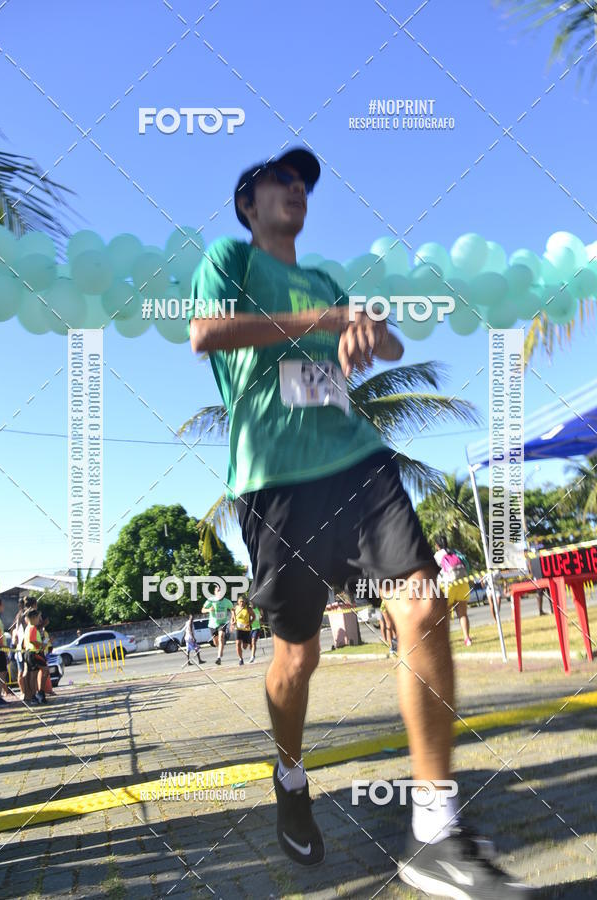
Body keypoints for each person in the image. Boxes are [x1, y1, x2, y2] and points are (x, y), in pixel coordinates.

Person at [188, 147, 531, 895]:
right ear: (248, 203)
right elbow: (206, 335)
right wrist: (325, 318)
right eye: (281, 179)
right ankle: (289, 772)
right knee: (298, 661)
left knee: (423, 601)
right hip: (275, 483)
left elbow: (391, 345)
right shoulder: (228, 259)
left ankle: (435, 832)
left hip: (355, 461)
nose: (296, 189)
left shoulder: (324, 279)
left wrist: (368, 324)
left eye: (304, 182)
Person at [434, 537, 472, 647]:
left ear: (437, 546)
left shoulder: (437, 556)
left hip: (447, 586)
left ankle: (446, 642)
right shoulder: (455, 552)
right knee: (463, 614)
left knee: (445, 616)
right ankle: (467, 639)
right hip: (462, 584)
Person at [23, 609, 49, 705]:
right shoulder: (32, 628)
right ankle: (36, 694)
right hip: (34, 653)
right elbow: (32, 640)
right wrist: (42, 644)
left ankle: (34, 695)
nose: (40, 620)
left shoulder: (29, 627)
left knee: (34, 675)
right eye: (38, 618)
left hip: (31, 653)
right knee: (43, 671)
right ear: (33, 618)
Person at [202, 587, 233, 665]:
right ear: (215, 592)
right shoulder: (211, 600)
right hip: (212, 625)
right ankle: (220, 649)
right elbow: (202, 610)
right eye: (217, 591)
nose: (219, 592)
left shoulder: (227, 601)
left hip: (222, 623)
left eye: (220, 590)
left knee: (221, 637)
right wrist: (209, 610)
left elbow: (232, 609)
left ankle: (218, 657)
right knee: (216, 642)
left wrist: (233, 619)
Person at [230, 597, 254, 666]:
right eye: (240, 601)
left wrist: (249, 623)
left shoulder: (248, 609)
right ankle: (240, 659)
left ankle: (247, 642)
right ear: (238, 602)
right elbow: (232, 618)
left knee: (244, 647)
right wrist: (232, 623)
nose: (242, 603)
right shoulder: (235, 609)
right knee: (237, 643)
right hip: (238, 628)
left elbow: (254, 617)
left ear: (245, 602)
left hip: (246, 629)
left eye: (243, 601)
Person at [0, 597, 9, 705]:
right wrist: (1, 646)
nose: (3, 607)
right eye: (2, 604)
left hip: (0, 648)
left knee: (1, 672)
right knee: (1, 672)